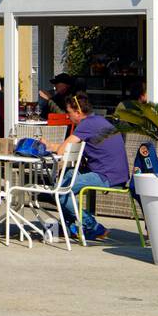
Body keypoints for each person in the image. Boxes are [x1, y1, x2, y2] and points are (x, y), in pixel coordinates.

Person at [54, 92, 129, 241]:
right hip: (116, 173)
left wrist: (52, 147)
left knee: (60, 191)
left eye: (69, 112)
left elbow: (62, 150)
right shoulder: (98, 120)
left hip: (106, 176)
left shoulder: (86, 124)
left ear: (78, 112)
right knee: (67, 174)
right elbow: (68, 148)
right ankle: (68, 226)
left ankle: (93, 226)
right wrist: (50, 145)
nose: (68, 116)